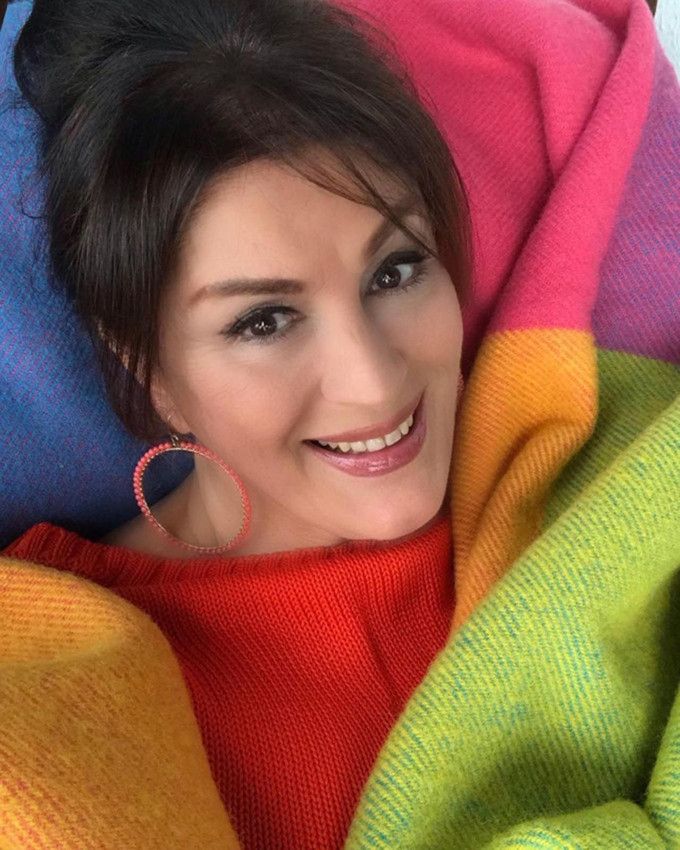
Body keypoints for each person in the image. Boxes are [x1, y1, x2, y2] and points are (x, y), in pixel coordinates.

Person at [1, 0, 470, 846]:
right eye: (264, 321)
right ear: (149, 369)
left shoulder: (560, 479)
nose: (372, 382)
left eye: (396, 270)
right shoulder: (42, 661)